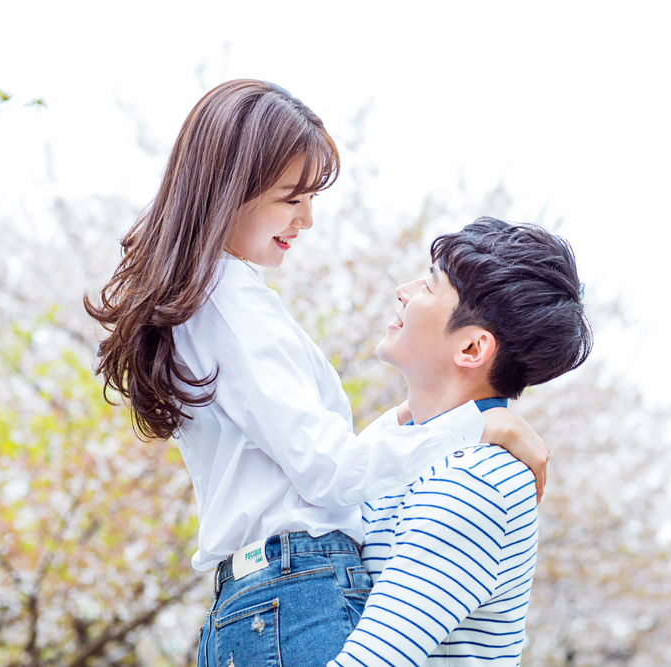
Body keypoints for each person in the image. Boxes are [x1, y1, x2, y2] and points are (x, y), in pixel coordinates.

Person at [83, 80, 549, 667]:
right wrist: (476, 426)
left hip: (255, 602)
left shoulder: (212, 301)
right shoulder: (233, 305)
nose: (306, 219)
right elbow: (331, 475)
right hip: (294, 594)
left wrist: (414, 418)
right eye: (291, 198)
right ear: (230, 190)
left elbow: (307, 470)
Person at [328, 217, 592, 666]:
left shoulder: (476, 481)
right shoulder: (412, 451)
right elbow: (335, 476)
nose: (403, 291)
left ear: (472, 349)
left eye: (429, 286)